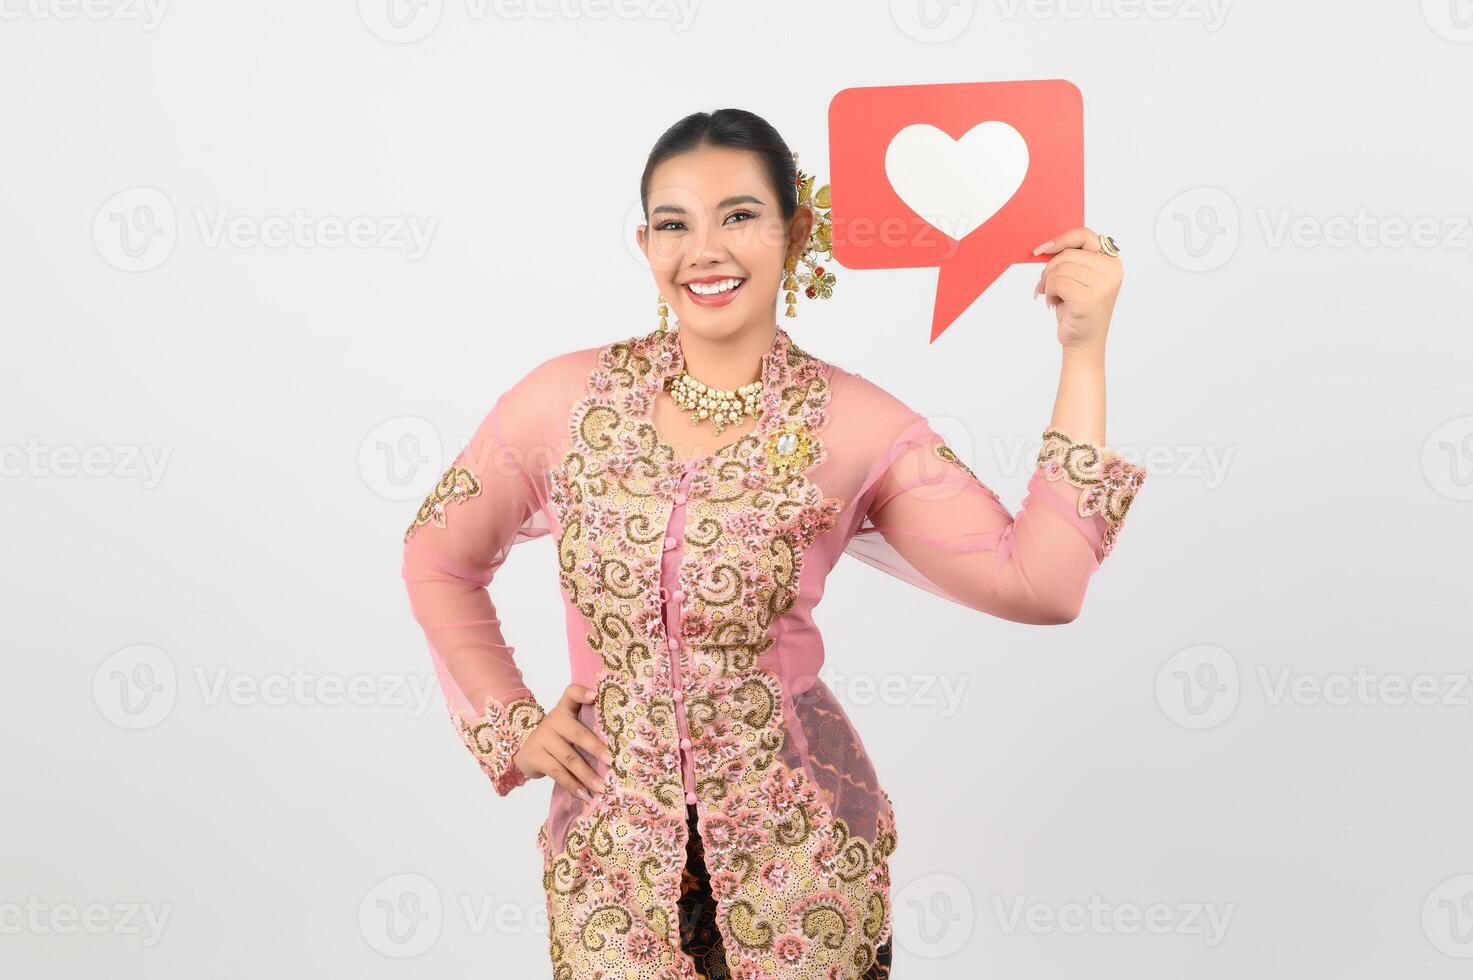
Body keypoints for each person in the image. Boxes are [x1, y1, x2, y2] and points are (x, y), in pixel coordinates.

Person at [400, 107, 1147, 979]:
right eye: (673, 224)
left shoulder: (855, 422)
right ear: (644, 244)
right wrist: (511, 722)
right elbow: (437, 556)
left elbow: (1040, 583)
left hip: (800, 865)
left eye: (740, 216)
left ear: (796, 234)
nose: (703, 250)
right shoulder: (560, 403)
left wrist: (1082, 351)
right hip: (611, 876)